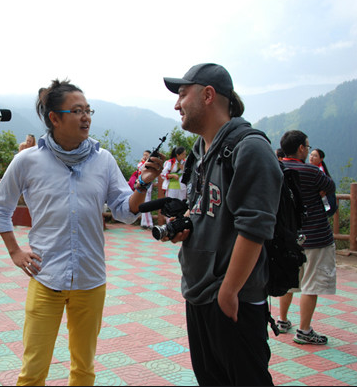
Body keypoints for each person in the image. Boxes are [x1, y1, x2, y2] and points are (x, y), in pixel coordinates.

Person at [0, 79, 163, 386]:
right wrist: (15, 250)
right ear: (54, 118)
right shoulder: (27, 160)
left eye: (88, 110)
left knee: (84, 368)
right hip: (46, 277)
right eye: (77, 110)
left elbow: (125, 212)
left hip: (90, 279)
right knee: (32, 370)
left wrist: (144, 183)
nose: (86, 117)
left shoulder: (103, 160)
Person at [162, 63, 282, 385]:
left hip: (232, 298)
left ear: (208, 95)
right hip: (199, 290)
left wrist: (229, 292)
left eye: (182, 95)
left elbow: (254, 227)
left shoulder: (250, 148)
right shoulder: (200, 152)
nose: (177, 105)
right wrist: (186, 226)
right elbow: (208, 212)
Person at [277, 131, 336, 345]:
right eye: (308, 147)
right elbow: (330, 187)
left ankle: (282, 320)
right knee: (311, 283)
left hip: (288, 236)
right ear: (301, 148)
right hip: (315, 236)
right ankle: (304, 331)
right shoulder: (311, 171)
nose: (308, 150)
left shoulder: (277, 169)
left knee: (290, 279)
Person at [308, 148, 337, 216]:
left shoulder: (321, 173)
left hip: (320, 205)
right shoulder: (310, 169)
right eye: (311, 154)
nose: (311, 157)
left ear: (321, 159)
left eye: (315, 156)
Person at [137, 150, 155, 229]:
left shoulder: (150, 164)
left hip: (148, 183)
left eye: (146, 155)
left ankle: (148, 223)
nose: (145, 156)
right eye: (144, 155)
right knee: (144, 202)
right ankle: (145, 223)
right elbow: (139, 168)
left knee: (147, 202)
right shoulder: (142, 163)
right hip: (141, 183)